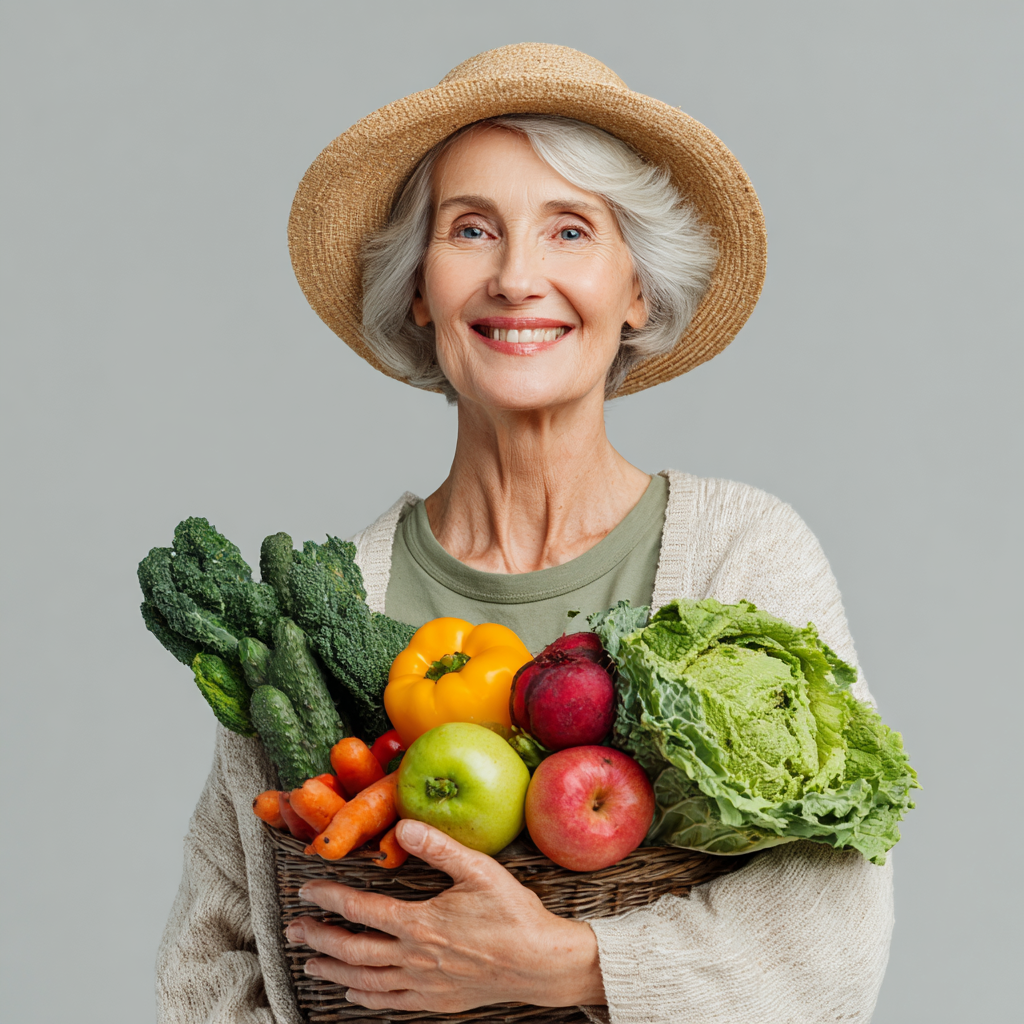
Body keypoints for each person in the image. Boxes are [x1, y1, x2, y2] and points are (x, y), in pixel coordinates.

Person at [157, 44, 893, 1023]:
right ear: (419, 289)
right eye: (471, 229)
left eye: (569, 231)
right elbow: (210, 961)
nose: (515, 277)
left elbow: (832, 932)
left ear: (636, 290)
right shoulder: (325, 606)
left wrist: (565, 965)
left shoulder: (742, 554)